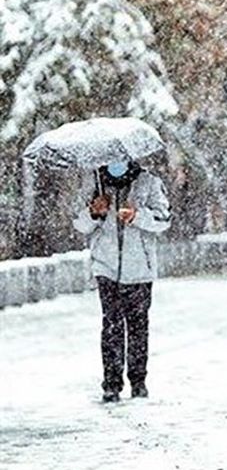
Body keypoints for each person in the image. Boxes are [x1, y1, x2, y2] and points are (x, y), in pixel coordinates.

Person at [72, 160, 171, 403]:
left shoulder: (148, 182)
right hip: (106, 268)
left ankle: (138, 381)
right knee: (112, 326)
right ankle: (112, 383)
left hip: (139, 269)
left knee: (138, 326)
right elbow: (79, 223)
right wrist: (95, 212)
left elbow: (163, 219)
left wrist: (138, 215)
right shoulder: (94, 182)